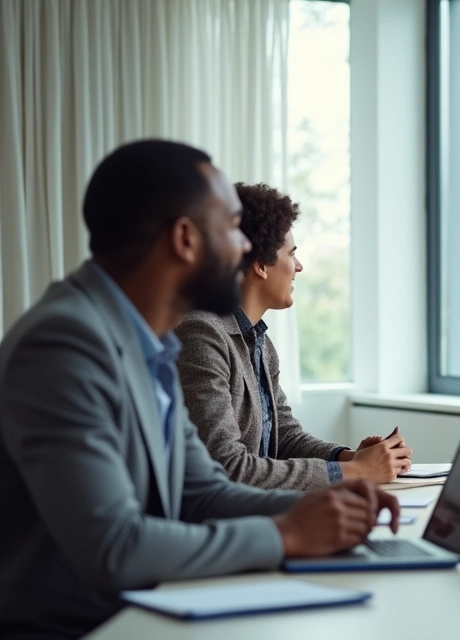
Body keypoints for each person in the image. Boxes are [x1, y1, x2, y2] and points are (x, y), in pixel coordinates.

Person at [0, 140, 400, 638]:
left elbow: (204, 492)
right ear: (186, 239)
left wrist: (328, 507)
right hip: (82, 628)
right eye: (233, 228)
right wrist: (285, 533)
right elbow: (115, 548)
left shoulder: (152, 340)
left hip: (149, 608)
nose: (243, 249)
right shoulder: (64, 345)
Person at [176, 182, 412, 489]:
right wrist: (355, 472)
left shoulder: (258, 340)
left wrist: (351, 458)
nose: (299, 267)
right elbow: (228, 468)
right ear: (260, 264)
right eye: (292, 253)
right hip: (221, 525)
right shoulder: (202, 335)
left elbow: (284, 437)